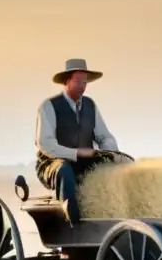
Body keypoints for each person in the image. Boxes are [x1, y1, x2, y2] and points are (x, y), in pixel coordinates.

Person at [34, 58, 120, 223]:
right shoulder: (49, 106)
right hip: (52, 163)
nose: (82, 86)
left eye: (85, 82)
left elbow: (104, 136)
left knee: (116, 167)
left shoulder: (90, 105)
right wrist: (76, 153)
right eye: (78, 81)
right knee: (65, 170)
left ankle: (113, 219)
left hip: (84, 161)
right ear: (67, 82)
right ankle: (72, 222)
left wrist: (111, 152)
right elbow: (45, 144)